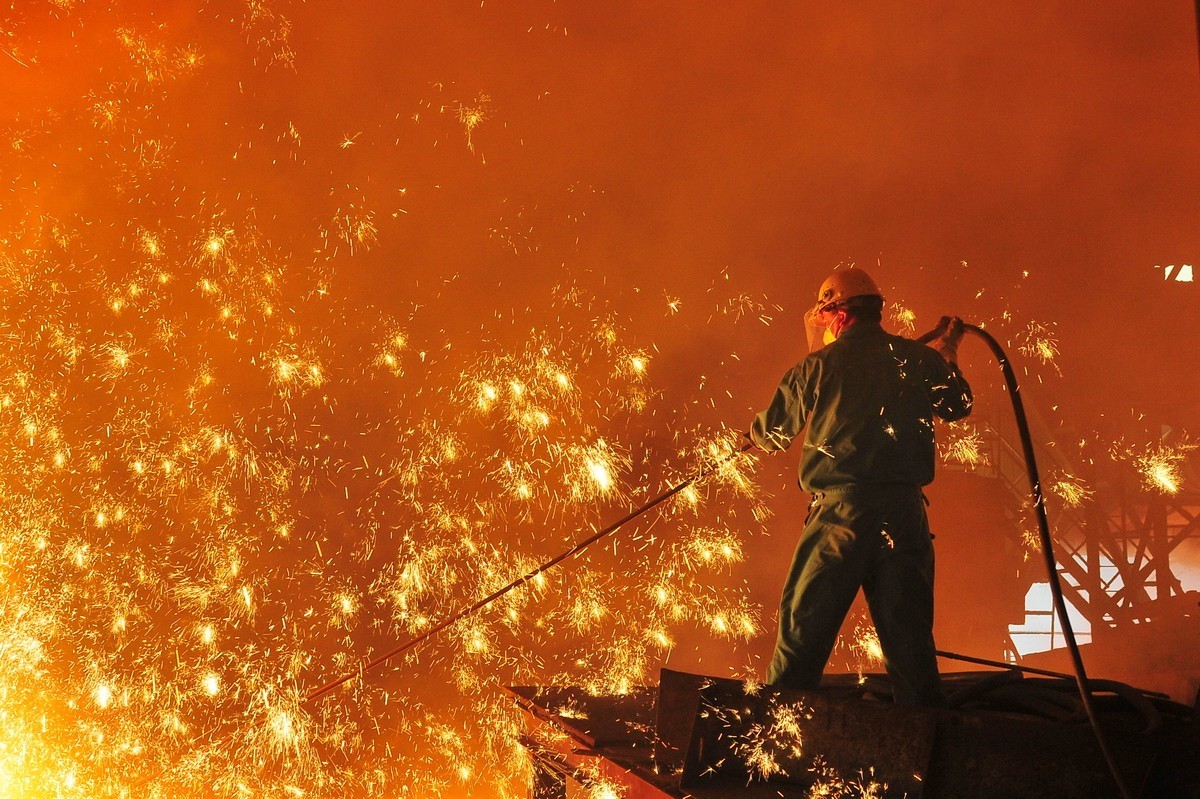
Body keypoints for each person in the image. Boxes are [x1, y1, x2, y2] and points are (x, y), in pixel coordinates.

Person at [747, 267, 972, 707]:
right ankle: (925, 748)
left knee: (802, 634)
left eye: (826, 317)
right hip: (904, 518)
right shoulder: (916, 358)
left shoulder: (816, 366)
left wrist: (749, 435)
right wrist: (946, 355)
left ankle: (774, 739)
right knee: (910, 645)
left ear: (837, 313)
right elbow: (958, 405)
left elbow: (773, 433)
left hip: (841, 518)